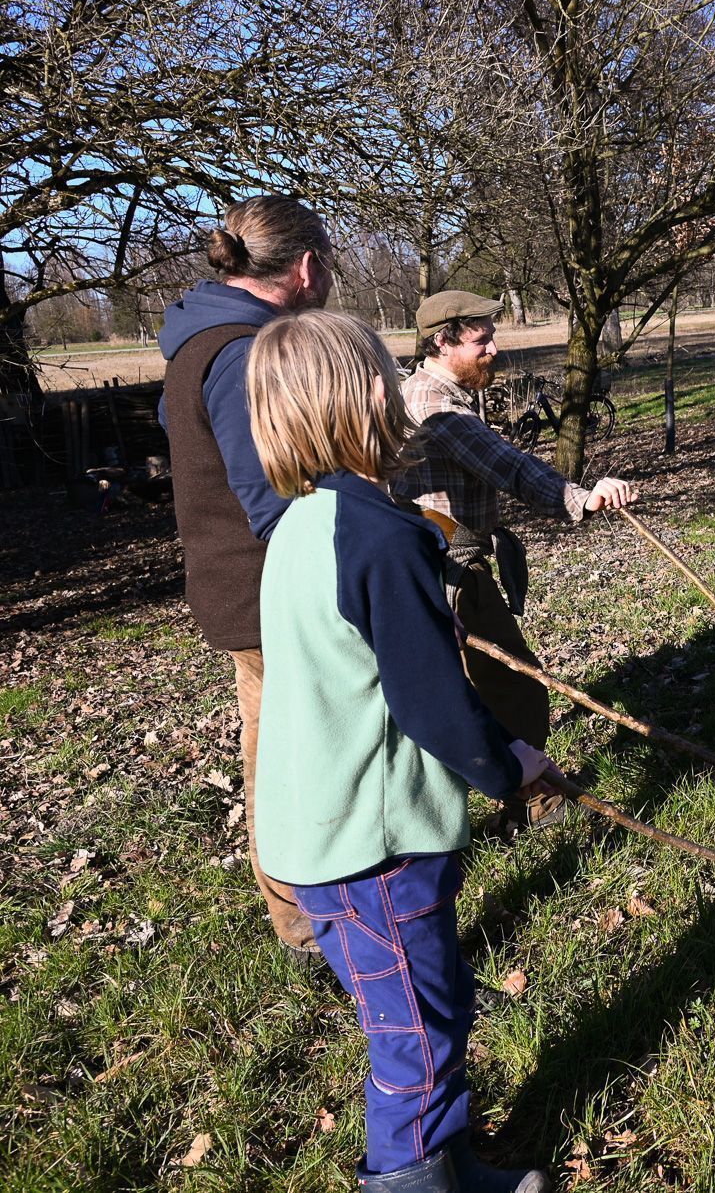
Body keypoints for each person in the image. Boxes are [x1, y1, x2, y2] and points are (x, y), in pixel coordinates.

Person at [248, 310, 560, 1193]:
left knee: (431, 1006)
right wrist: (511, 765)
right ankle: (408, 1179)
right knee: (414, 1039)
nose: (394, 390)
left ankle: (450, 1163)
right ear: (357, 402)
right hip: (374, 847)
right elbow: (433, 706)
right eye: (380, 377)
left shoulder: (300, 525)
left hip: (321, 837)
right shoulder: (380, 542)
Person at [157, 195, 332, 956]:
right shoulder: (240, 352)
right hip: (272, 593)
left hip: (246, 586)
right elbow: (270, 501)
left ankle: (310, 914)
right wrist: (345, 581)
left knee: (279, 747)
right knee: (293, 758)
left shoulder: (203, 337)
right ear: (305, 266)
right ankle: (309, 924)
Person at [390, 290, 636, 828]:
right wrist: (580, 497)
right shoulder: (436, 408)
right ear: (441, 342)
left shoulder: (435, 391)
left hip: (445, 561)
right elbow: (512, 466)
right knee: (513, 681)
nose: (494, 348)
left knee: (476, 683)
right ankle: (530, 795)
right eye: (481, 339)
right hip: (450, 569)